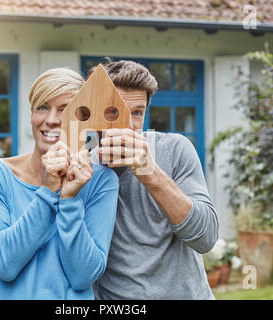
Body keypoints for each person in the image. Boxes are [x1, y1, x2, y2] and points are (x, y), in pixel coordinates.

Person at [0, 68, 119, 300]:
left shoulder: (101, 181)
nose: (51, 120)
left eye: (65, 110)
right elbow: (4, 264)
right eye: (42, 107)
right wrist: (49, 192)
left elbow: (83, 276)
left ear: (83, 119)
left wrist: (70, 199)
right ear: (32, 113)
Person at [91, 60, 219, 300]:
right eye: (113, 112)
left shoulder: (175, 149)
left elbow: (206, 238)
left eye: (137, 113)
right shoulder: (83, 169)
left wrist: (150, 173)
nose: (128, 125)